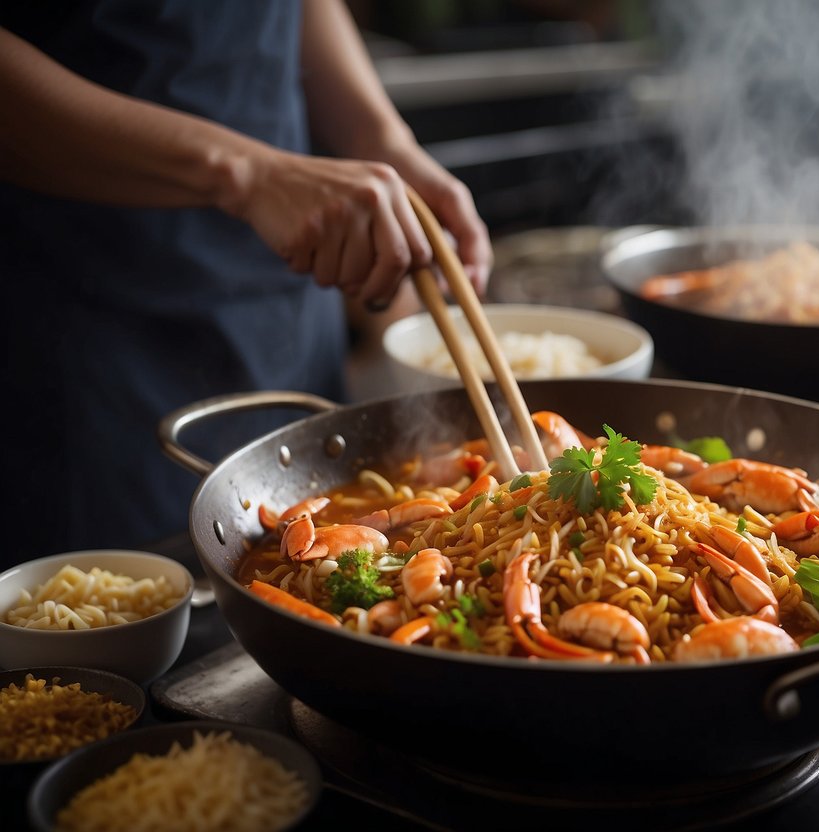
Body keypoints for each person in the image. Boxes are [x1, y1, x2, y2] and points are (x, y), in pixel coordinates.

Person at [0, 1, 493, 565]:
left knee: (310, 554)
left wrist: (382, 138)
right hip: (93, 307)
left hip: (289, 280)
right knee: (105, 608)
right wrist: (249, 172)